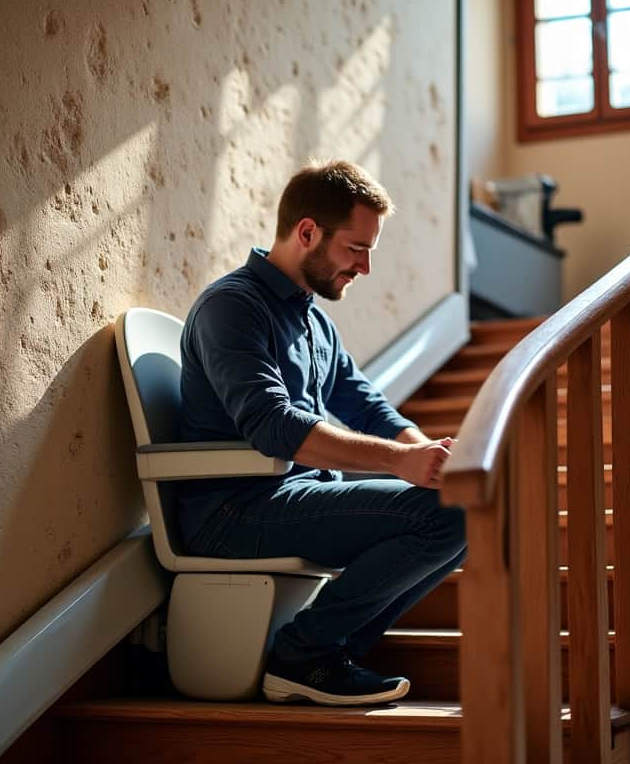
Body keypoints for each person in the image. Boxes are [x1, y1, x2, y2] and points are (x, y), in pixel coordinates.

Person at [176, 160, 466, 706]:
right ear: (307, 232)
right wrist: (400, 464)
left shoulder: (313, 320)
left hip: (290, 498)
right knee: (451, 515)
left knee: (463, 501)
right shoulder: (232, 307)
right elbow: (273, 425)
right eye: (356, 248)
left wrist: (426, 454)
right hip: (230, 511)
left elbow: (367, 406)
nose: (365, 267)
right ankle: (306, 656)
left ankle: (328, 655)